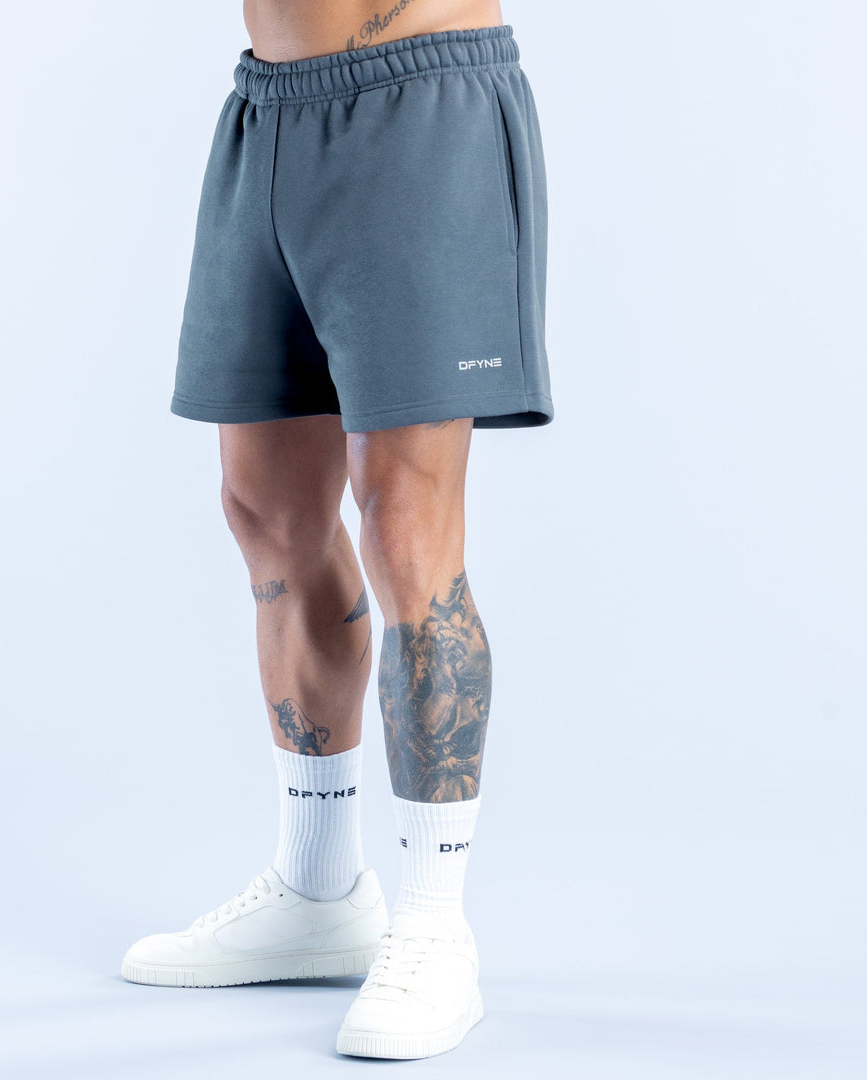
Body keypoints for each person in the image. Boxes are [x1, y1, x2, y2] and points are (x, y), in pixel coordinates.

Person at [121, 0, 553, 1060]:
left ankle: (434, 923)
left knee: (405, 527)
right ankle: (318, 892)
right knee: (267, 513)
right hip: (267, 113)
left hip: (419, 103)